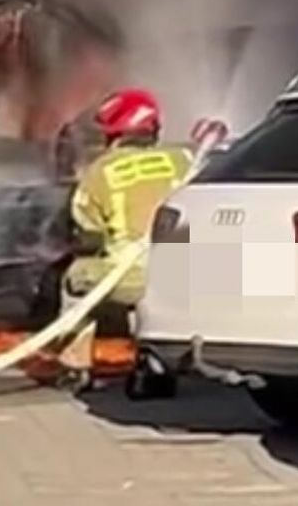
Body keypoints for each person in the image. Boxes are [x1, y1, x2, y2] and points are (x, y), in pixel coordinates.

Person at [55, 88, 193, 389]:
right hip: (187, 273)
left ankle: (74, 364)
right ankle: (157, 363)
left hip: (132, 273)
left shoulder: (99, 173)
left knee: (77, 279)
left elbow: (89, 235)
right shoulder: (185, 159)